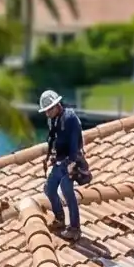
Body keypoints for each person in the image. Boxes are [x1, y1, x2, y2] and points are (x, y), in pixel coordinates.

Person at [37, 90, 91, 236]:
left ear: (57, 106)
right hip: (60, 160)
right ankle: (59, 217)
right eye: (46, 111)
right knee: (49, 188)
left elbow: (74, 143)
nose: (47, 114)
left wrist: (72, 163)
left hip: (72, 160)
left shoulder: (70, 118)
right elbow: (53, 140)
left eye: (49, 110)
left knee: (66, 189)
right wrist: (49, 157)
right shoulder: (53, 119)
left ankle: (75, 228)